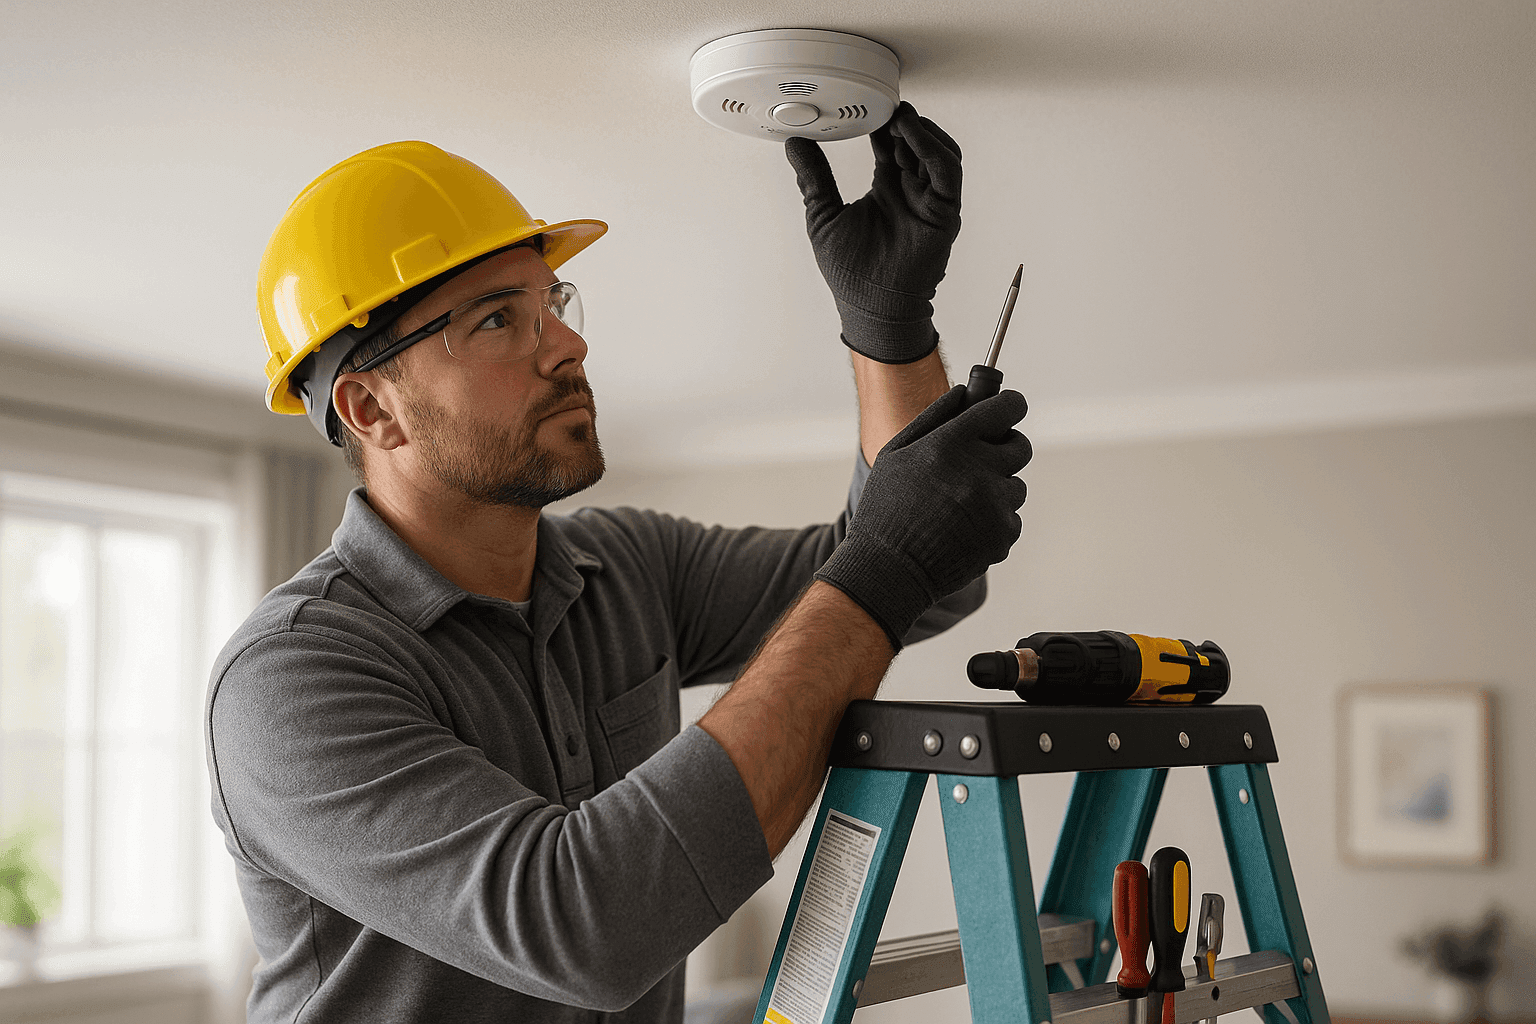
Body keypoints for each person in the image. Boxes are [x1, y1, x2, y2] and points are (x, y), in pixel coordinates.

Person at [207, 103, 1030, 1023]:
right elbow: (586, 925)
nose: (568, 344)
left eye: (550, 304)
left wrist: (888, 328)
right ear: (370, 411)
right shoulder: (290, 680)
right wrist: (885, 566)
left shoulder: (627, 566)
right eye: (494, 321)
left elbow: (924, 577)